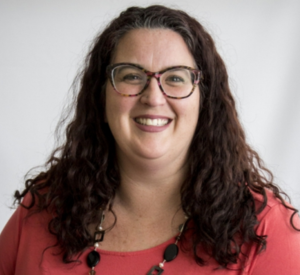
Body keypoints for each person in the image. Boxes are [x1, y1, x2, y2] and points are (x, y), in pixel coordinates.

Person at [0, 5, 300, 275]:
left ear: (204, 104)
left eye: (176, 77)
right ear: (101, 98)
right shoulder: (42, 207)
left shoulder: (265, 231)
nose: (153, 97)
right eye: (131, 76)